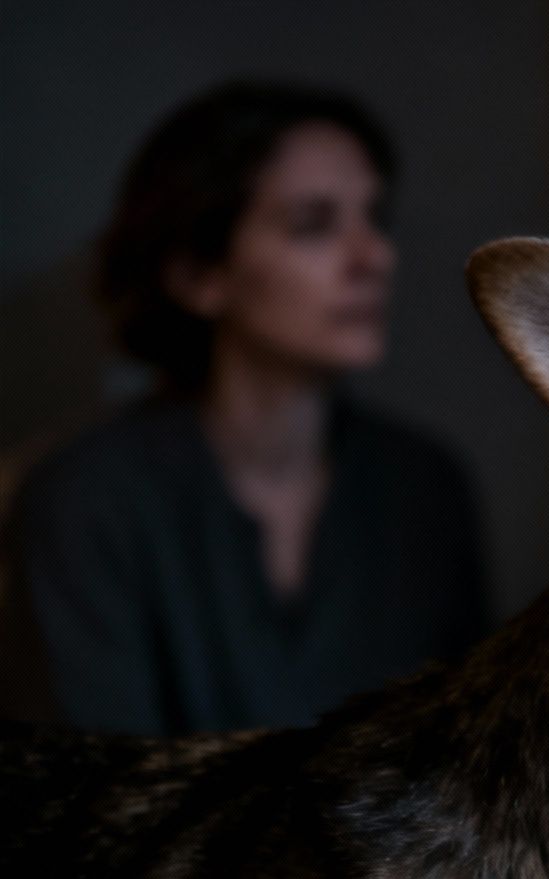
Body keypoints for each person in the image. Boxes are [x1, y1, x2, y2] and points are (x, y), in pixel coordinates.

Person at [0, 81, 488, 735]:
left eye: (375, 217)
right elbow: (86, 797)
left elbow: (474, 751)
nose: (375, 256)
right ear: (199, 277)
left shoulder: (427, 486)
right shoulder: (84, 498)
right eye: (313, 225)